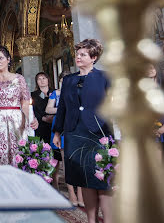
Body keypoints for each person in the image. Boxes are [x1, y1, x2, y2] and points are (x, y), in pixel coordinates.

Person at [53, 39, 112, 223]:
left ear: (93, 58)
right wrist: (57, 132)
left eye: (83, 54)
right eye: (77, 54)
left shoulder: (105, 77)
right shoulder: (69, 80)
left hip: (98, 133)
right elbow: (62, 107)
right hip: (74, 133)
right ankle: (91, 219)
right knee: (84, 179)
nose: (78, 57)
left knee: (102, 179)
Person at [0, 45, 39, 166]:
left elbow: (25, 103)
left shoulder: (19, 78)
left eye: (0, 58)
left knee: (17, 156)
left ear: (8, 59)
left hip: (16, 121)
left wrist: (32, 119)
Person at [46, 70, 84, 207]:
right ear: (61, 81)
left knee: (79, 161)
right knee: (67, 162)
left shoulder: (79, 91)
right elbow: (49, 109)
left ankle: (80, 193)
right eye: (63, 80)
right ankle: (71, 193)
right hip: (62, 127)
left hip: (78, 127)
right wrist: (64, 108)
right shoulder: (56, 93)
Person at [31, 72, 54, 144]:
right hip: (40, 124)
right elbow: (32, 109)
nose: (42, 80)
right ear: (37, 82)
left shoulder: (55, 92)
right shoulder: (33, 95)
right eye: (39, 79)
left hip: (54, 123)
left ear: (48, 80)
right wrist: (42, 118)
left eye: (44, 78)